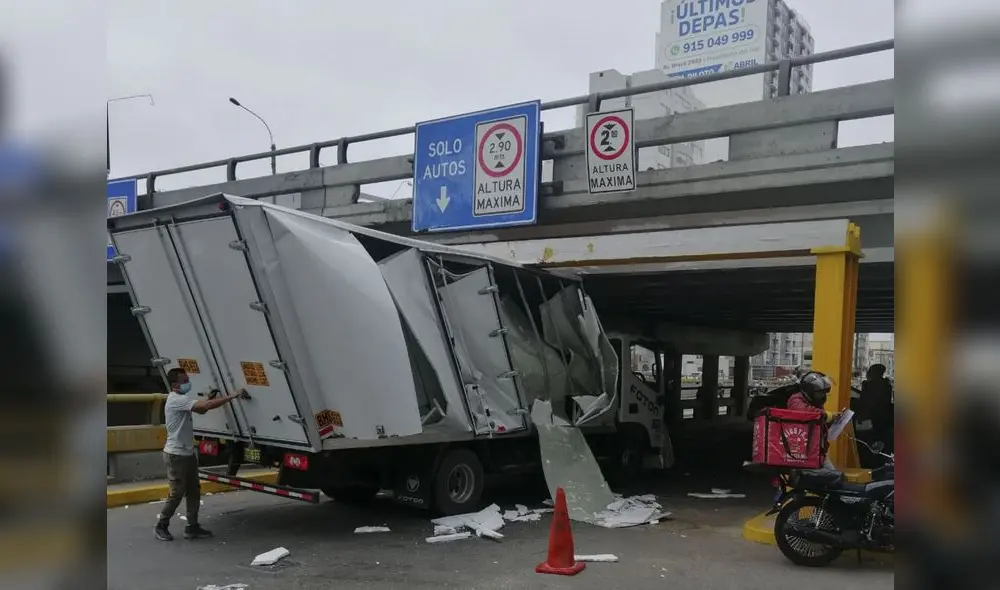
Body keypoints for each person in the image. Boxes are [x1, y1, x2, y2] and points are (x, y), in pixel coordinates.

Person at [155, 368, 247, 542]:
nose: (187, 383)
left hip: (187, 454)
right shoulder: (176, 399)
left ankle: (192, 526)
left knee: (193, 491)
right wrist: (231, 396)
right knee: (176, 493)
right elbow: (206, 407)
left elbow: (202, 409)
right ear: (175, 385)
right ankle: (161, 525)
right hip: (176, 455)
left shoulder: (182, 400)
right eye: (184, 380)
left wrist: (210, 399)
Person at [785, 370, 840, 470]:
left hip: (816, 451)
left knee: (834, 477)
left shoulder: (815, 403)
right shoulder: (795, 400)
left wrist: (835, 421)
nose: (823, 396)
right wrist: (828, 416)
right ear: (809, 391)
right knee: (830, 478)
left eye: (824, 393)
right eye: (820, 393)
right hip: (799, 452)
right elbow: (806, 413)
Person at [858, 364, 894, 455]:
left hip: (869, 419)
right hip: (884, 420)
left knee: (867, 443)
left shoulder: (867, 385)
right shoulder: (887, 386)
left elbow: (865, 403)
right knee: (882, 443)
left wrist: (861, 417)